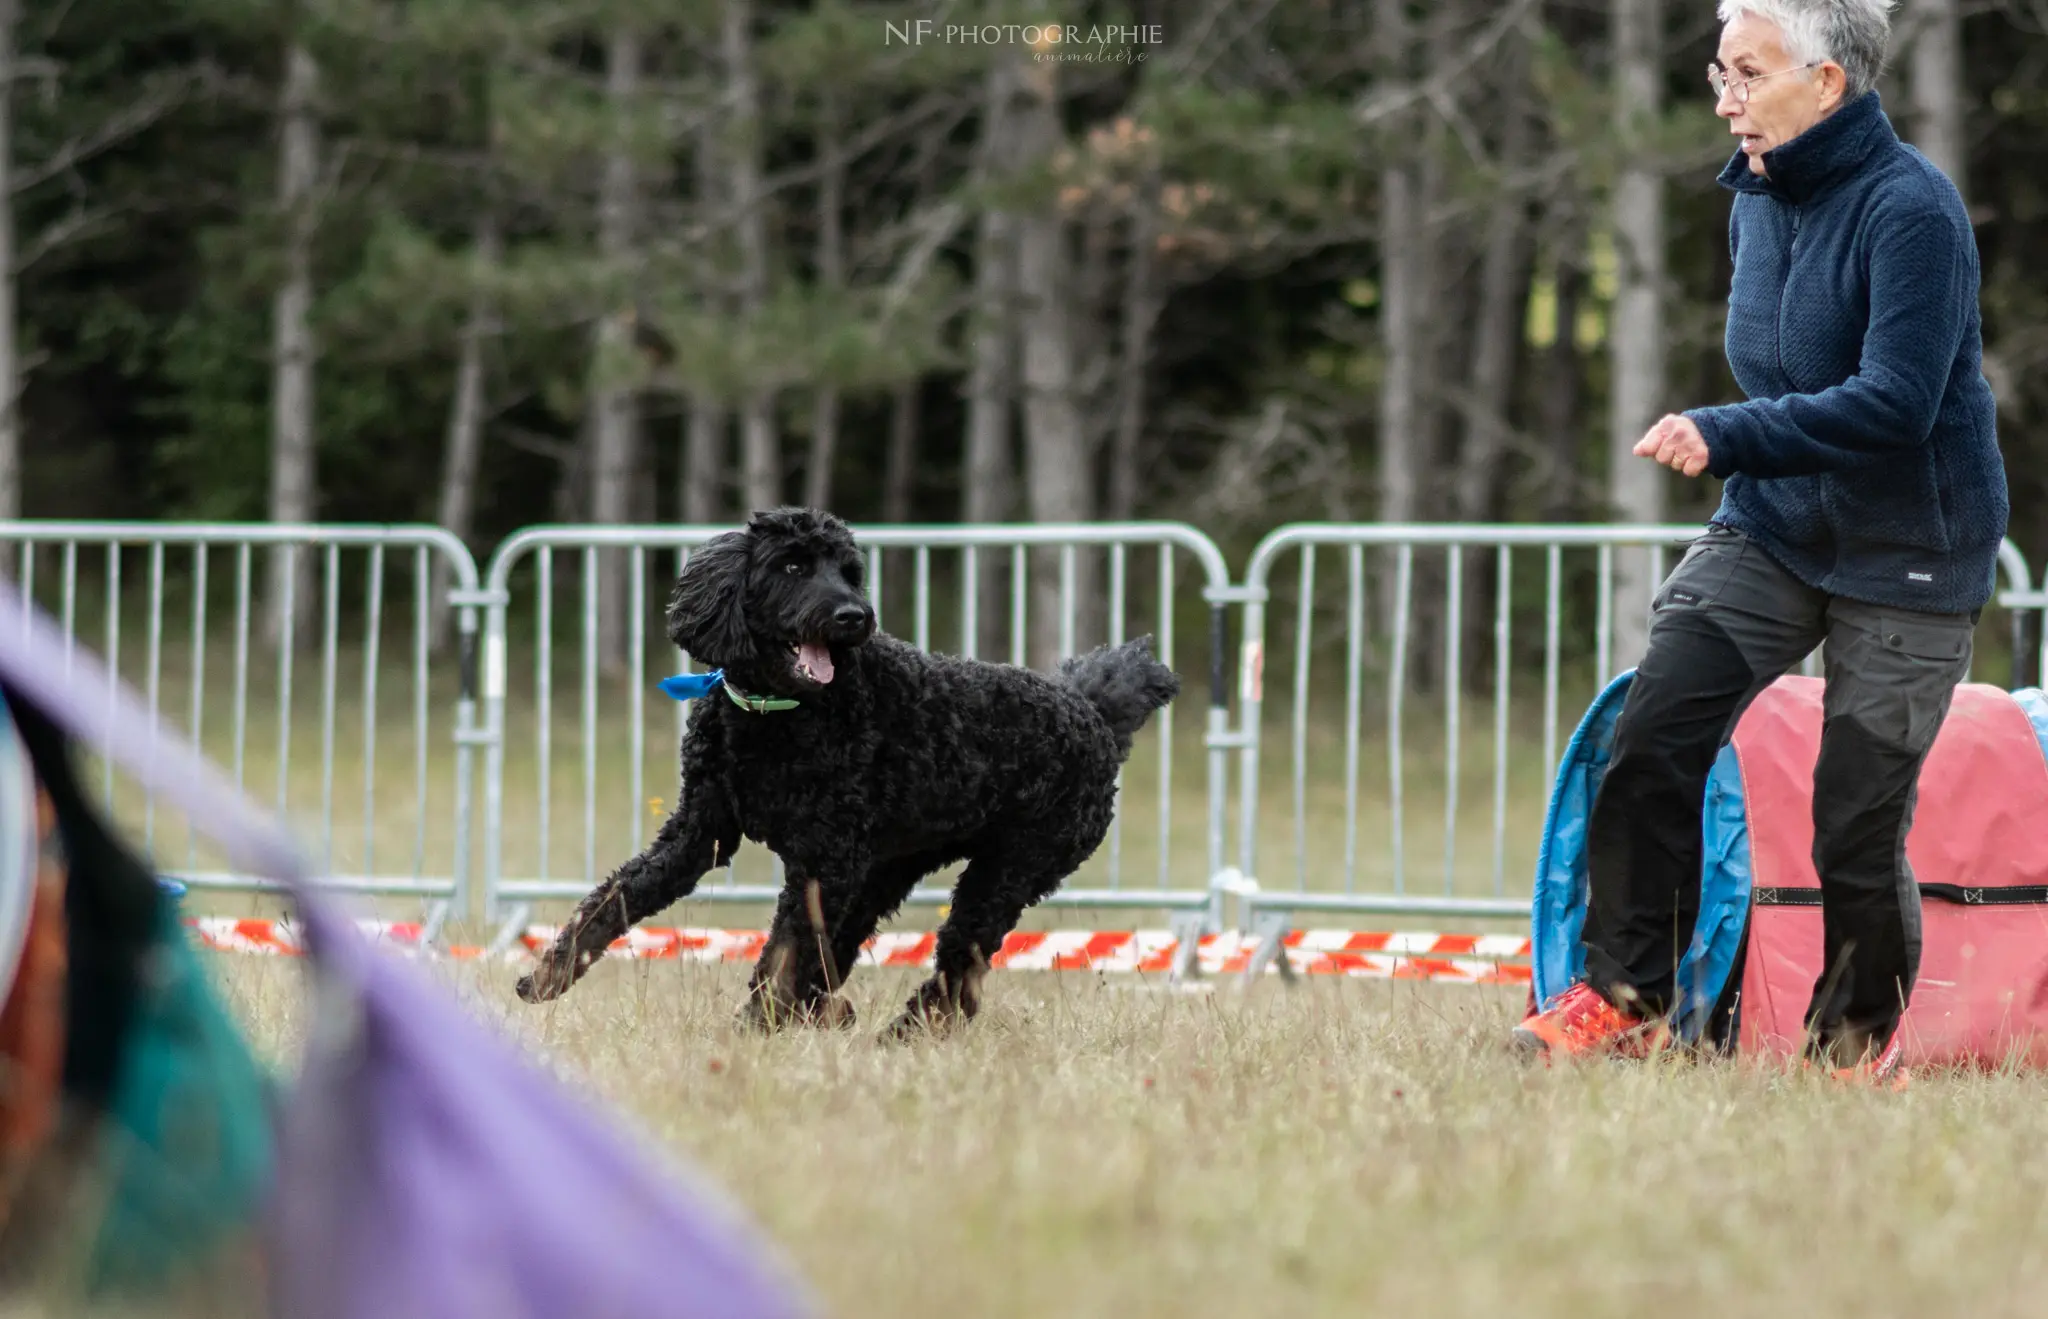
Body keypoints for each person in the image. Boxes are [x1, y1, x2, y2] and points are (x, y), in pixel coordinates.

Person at [1512, 0, 2007, 1085]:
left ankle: (1843, 1045)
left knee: (1853, 818)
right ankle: (1626, 998)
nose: (1725, 98)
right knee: (1649, 740)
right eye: (1716, 72)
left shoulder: (1910, 211)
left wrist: (1722, 432)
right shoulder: (1756, 199)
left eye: (1747, 72)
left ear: (1825, 83)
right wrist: (1749, 455)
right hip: (1776, 527)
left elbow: (1892, 402)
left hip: (1907, 551)